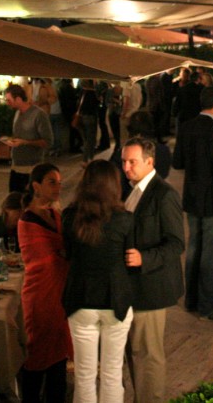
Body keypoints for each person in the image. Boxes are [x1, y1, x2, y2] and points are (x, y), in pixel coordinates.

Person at [61, 161, 135, 403]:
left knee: (83, 375)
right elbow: (129, 258)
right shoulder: (125, 219)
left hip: (81, 298)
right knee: (112, 374)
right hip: (116, 299)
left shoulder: (70, 216)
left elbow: (69, 254)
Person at [121, 138, 184, 403]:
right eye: (123, 161)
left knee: (148, 353)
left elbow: (176, 242)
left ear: (150, 162)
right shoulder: (134, 190)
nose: (126, 167)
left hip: (152, 286)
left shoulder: (164, 194)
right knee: (136, 352)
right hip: (134, 286)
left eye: (132, 162)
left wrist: (144, 258)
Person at [172, 86, 213, 322]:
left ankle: (191, 300)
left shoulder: (186, 127)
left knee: (194, 248)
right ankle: (208, 306)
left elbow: (177, 162)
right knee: (211, 252)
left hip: (192, 197)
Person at [18, 164, 70, 403]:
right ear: (36, 186)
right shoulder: (26, 221)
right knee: (38, 356)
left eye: (59, 182)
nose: (58, 187)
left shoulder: (55, 214)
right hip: (40, 295)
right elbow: (46, 258)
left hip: (59, 294)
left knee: (58, 356)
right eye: (52, 182)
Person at [3, 84, 53, 193]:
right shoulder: (17, 113)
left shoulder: (39, 115)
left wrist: (25, 142)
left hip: (31, 168)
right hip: (16, 166)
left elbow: (48, 141)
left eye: (9, 100)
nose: (7, 103)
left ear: (19, 99)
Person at [77, 79, 101, 165]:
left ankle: (89, 158)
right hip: (91, 117)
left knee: (86, 139)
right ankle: (86, 159)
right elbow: (95, 105)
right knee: (90, 139)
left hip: (82, 117)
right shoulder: (92, 93)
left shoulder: (82, 93)